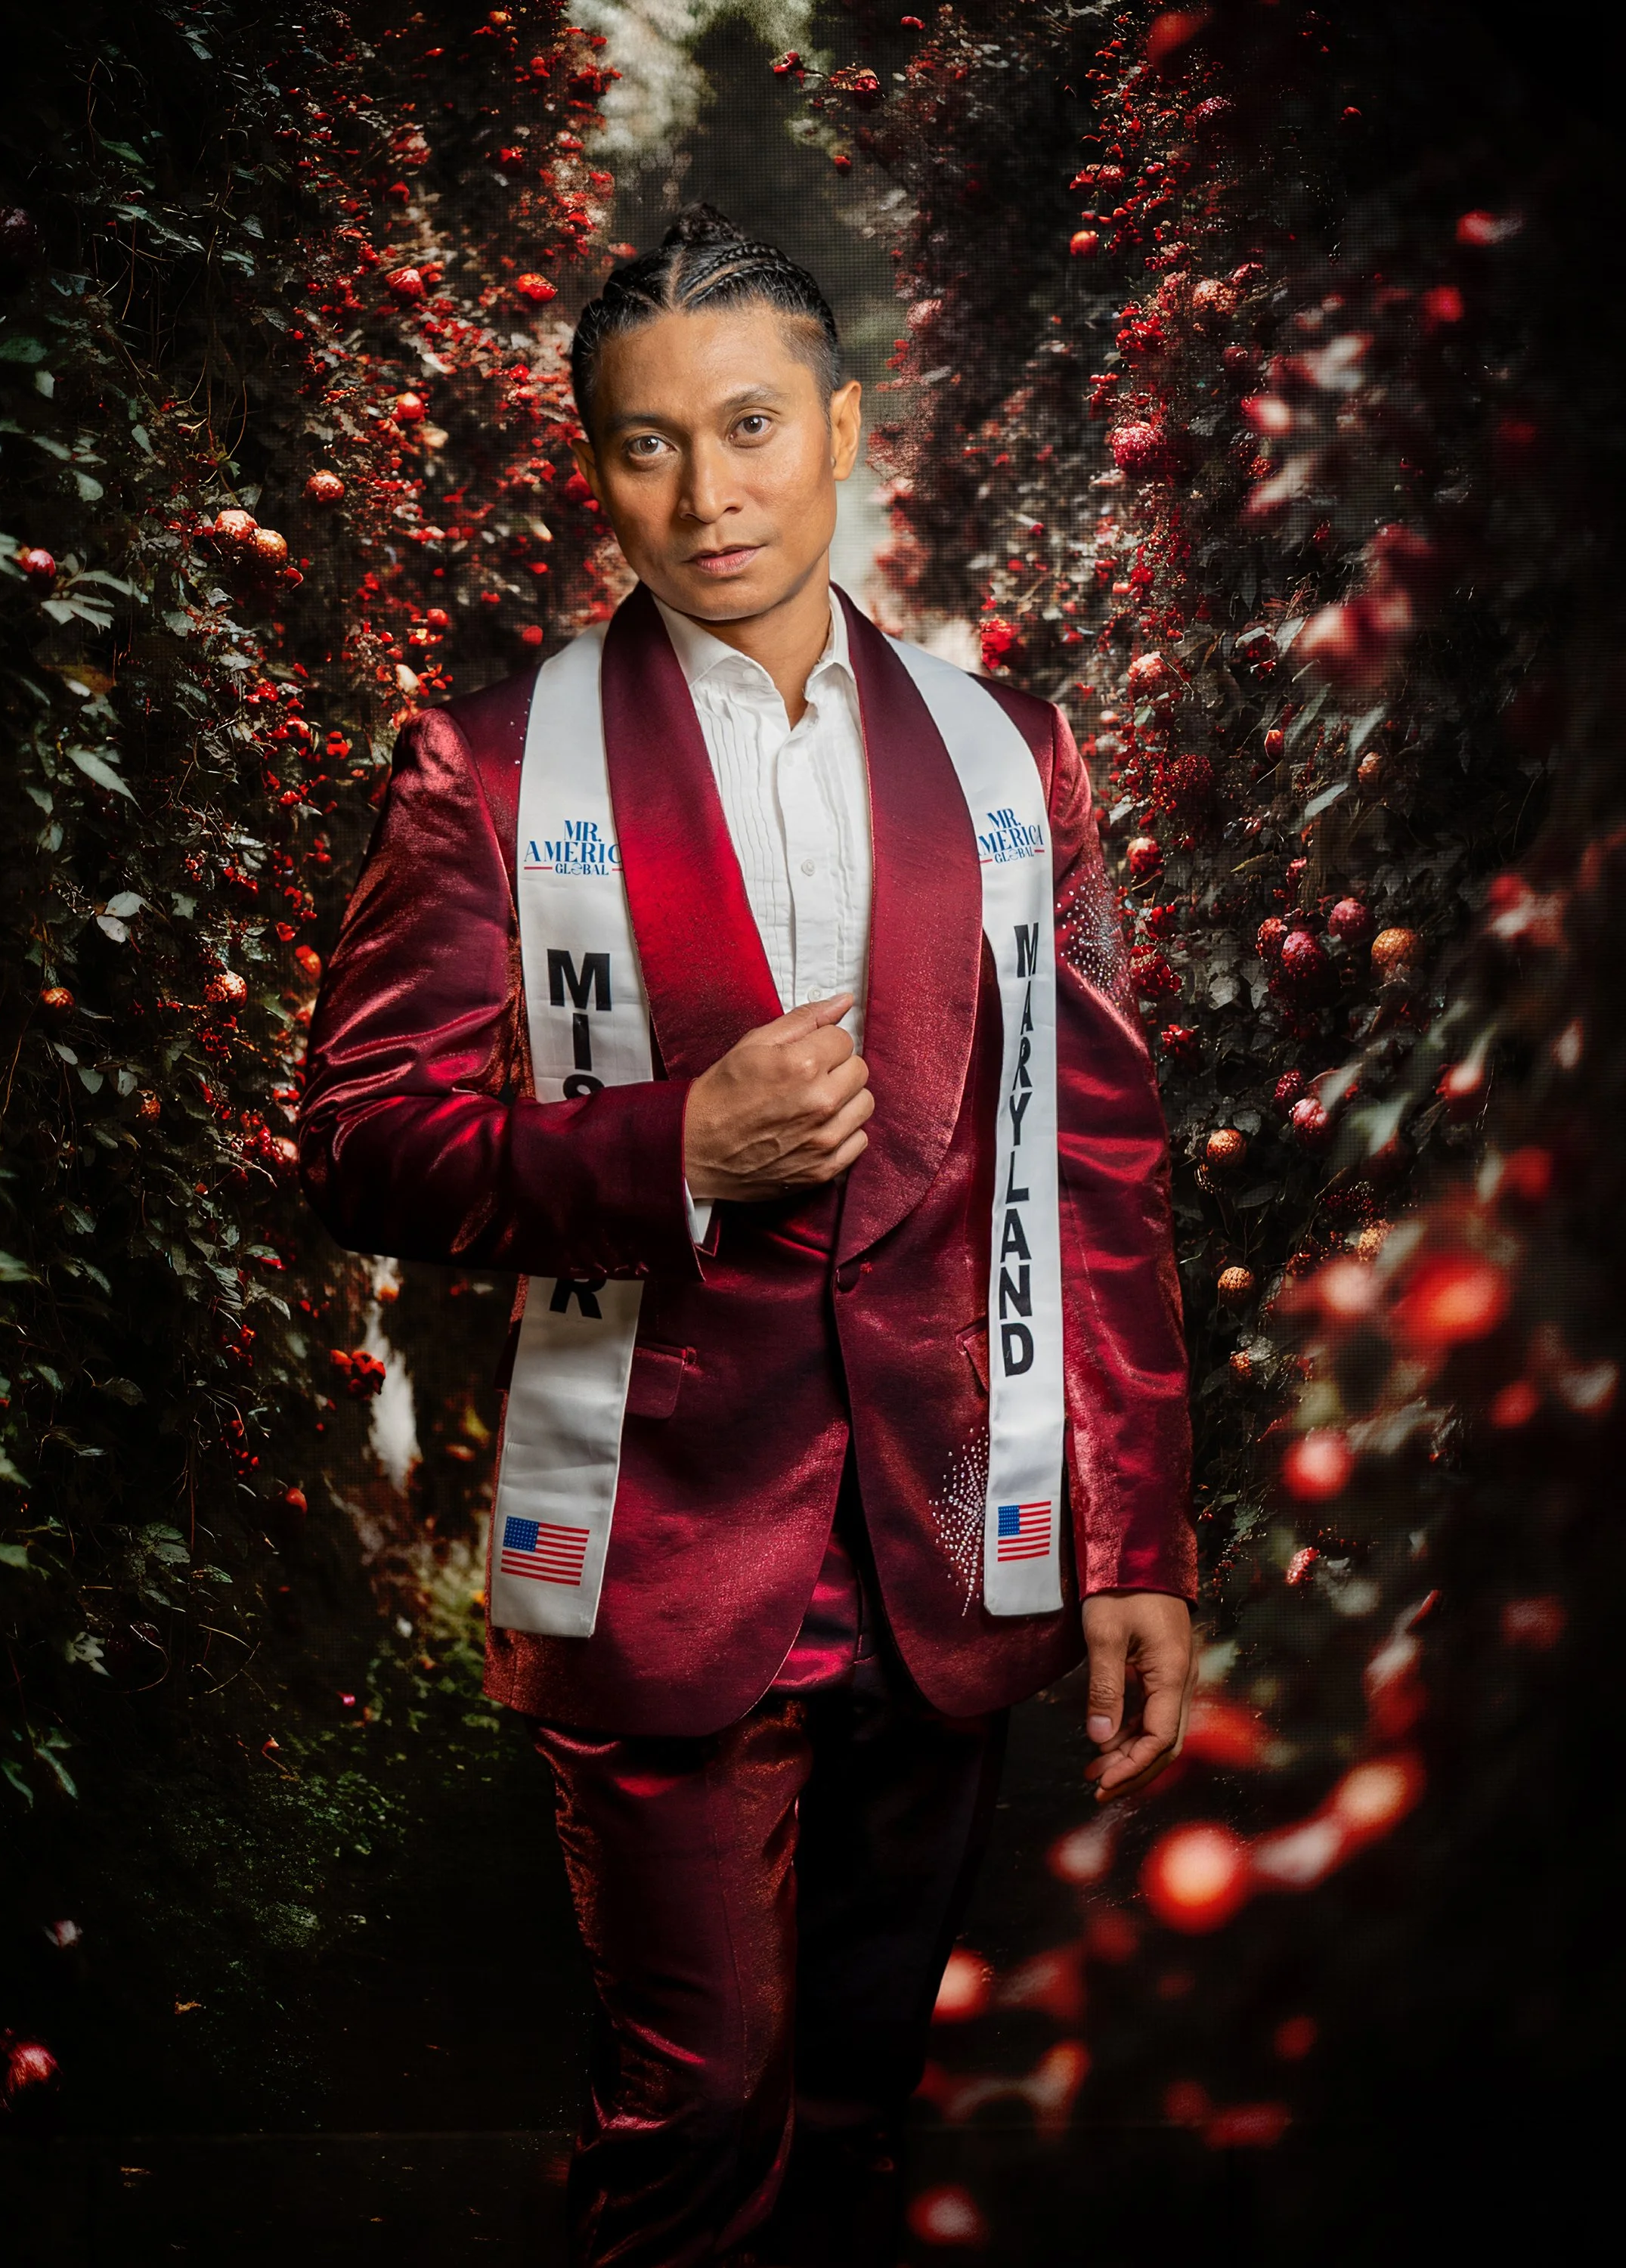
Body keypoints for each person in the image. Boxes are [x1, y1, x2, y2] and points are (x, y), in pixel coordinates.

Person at [299, 206, 1194, 2268]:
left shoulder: (1005, 752)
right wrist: (667, 1144)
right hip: (655, 1533)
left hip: (952, 1536)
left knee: (866, 2114)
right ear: (591, 464)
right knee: (694, 2127)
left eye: (751, 427)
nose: (704, 495)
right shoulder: (496, 762)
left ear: (843, 429)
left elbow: (1097, 1162)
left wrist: (1137, 1539)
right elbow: (357, 1136)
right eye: (643, 445)